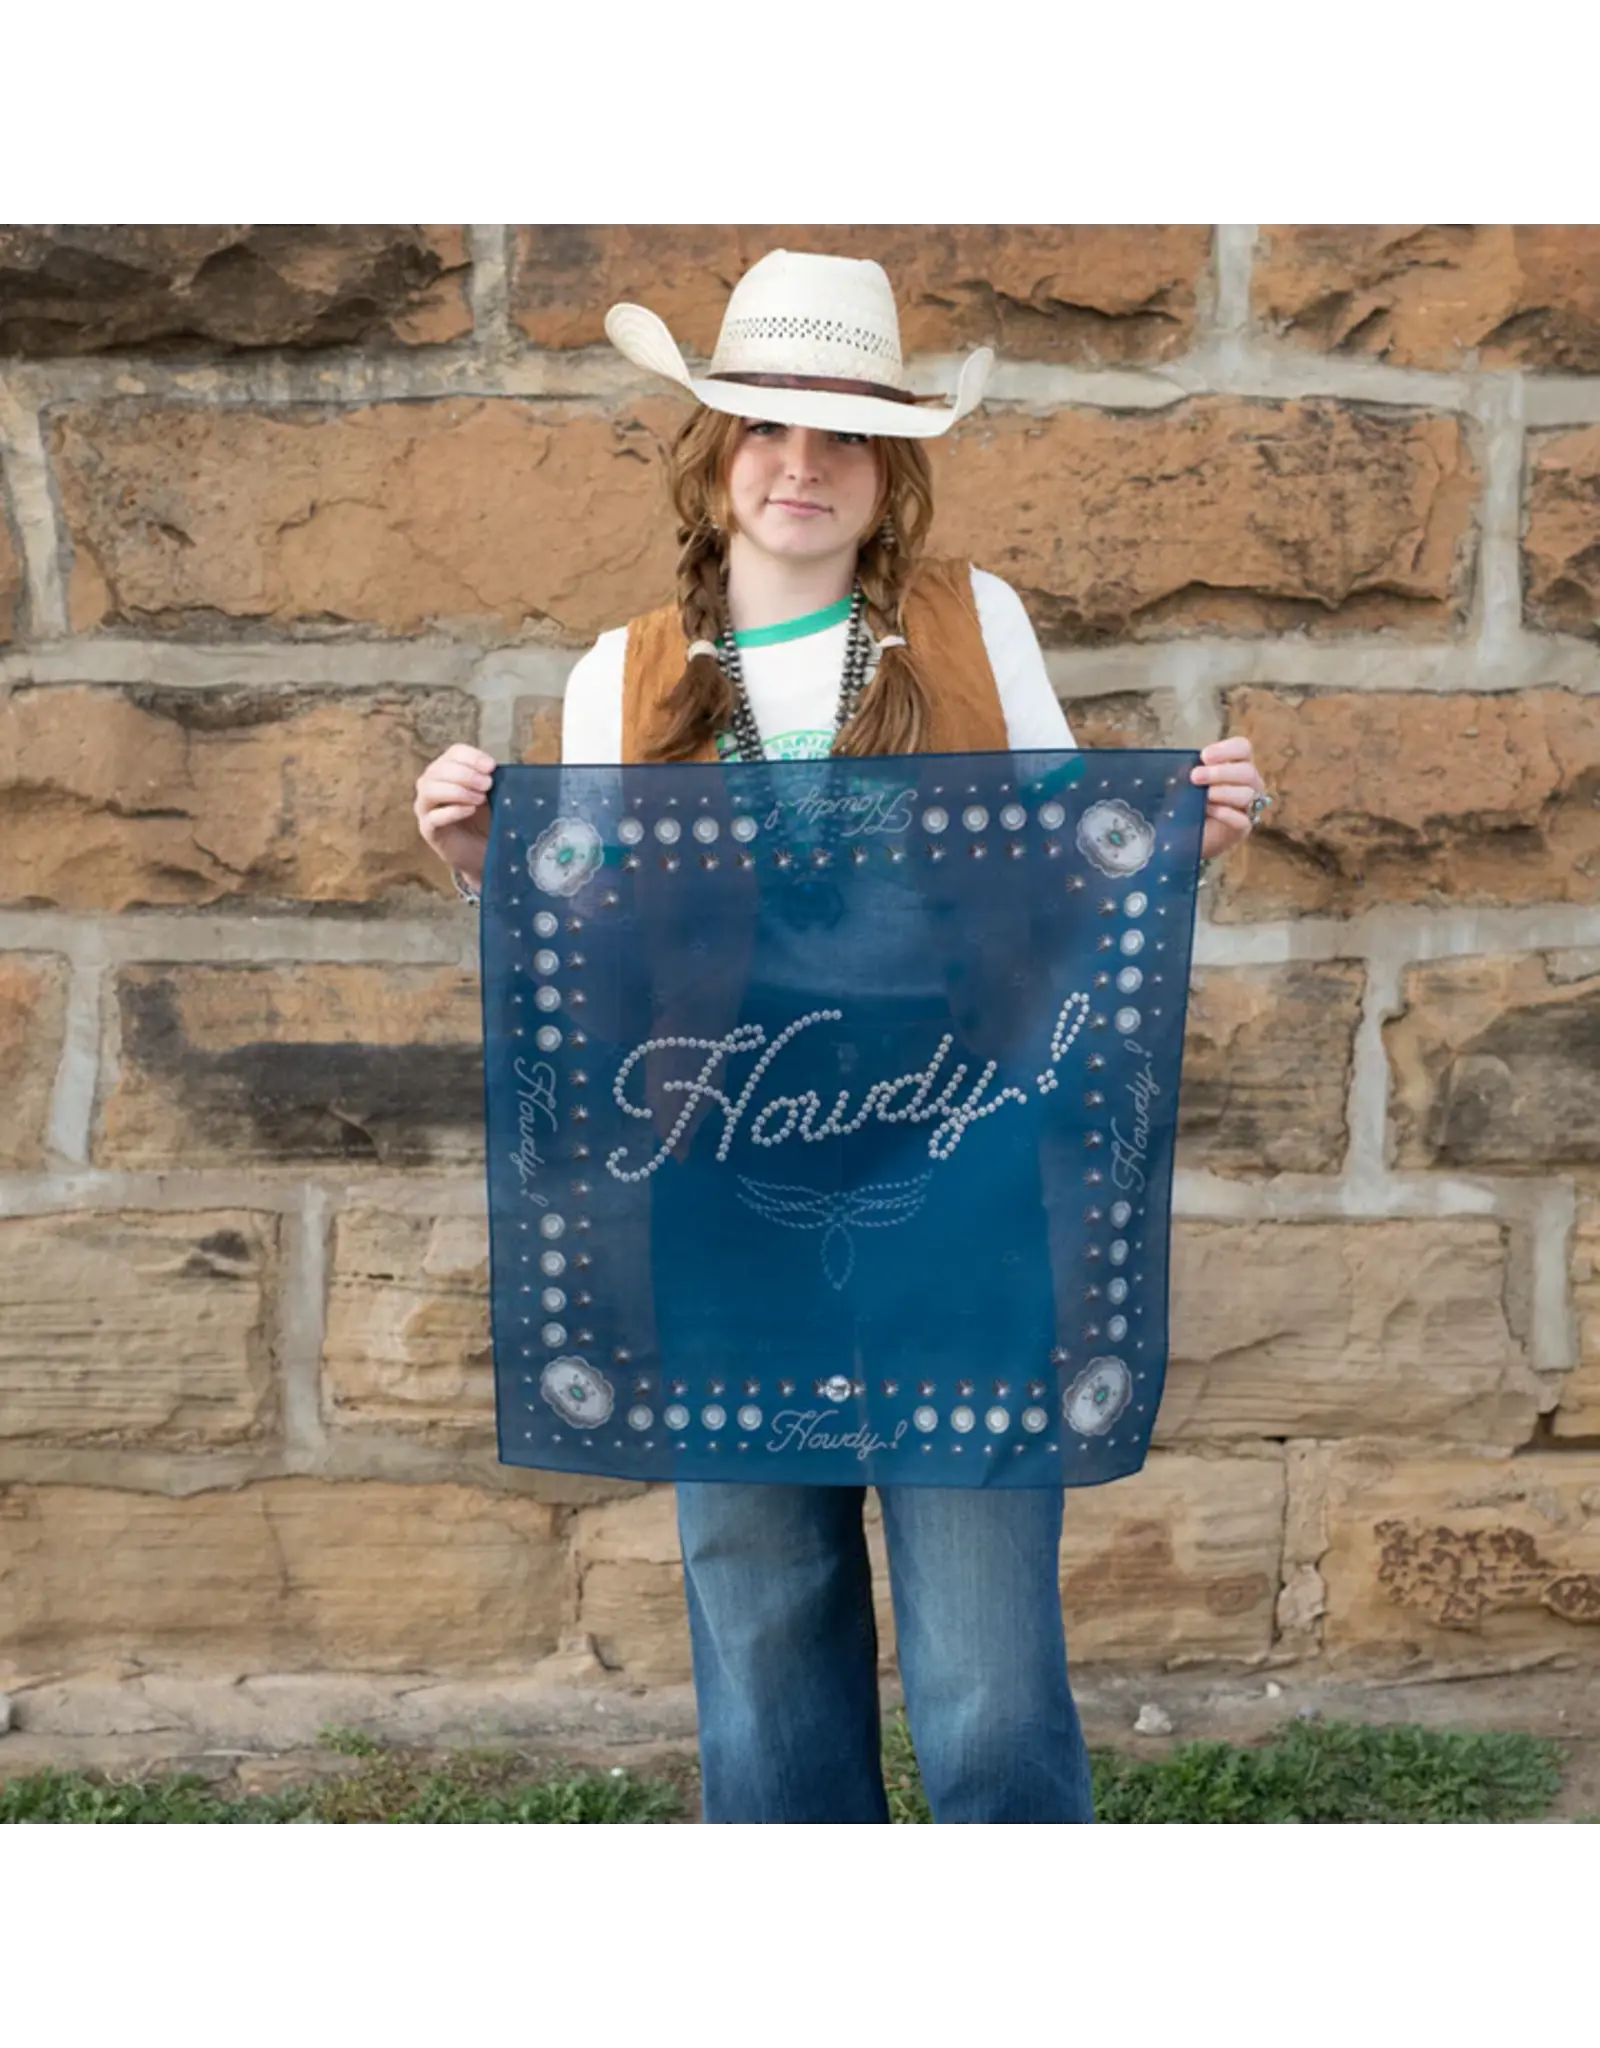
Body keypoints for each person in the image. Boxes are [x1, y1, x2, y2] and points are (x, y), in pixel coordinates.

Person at [415, 249, 1268, 1825]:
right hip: (723, 1214)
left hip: (964, 1203)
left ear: (889, 474)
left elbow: (1070, 874)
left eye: (842, 438)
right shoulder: (625, 673)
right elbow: (601, 963)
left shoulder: (973, 625)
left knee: (989, 1667)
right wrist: (487, 865)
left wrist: (1182, 834)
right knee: (759, 1626)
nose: (799, 466)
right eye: (763, 430)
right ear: (713, 454)